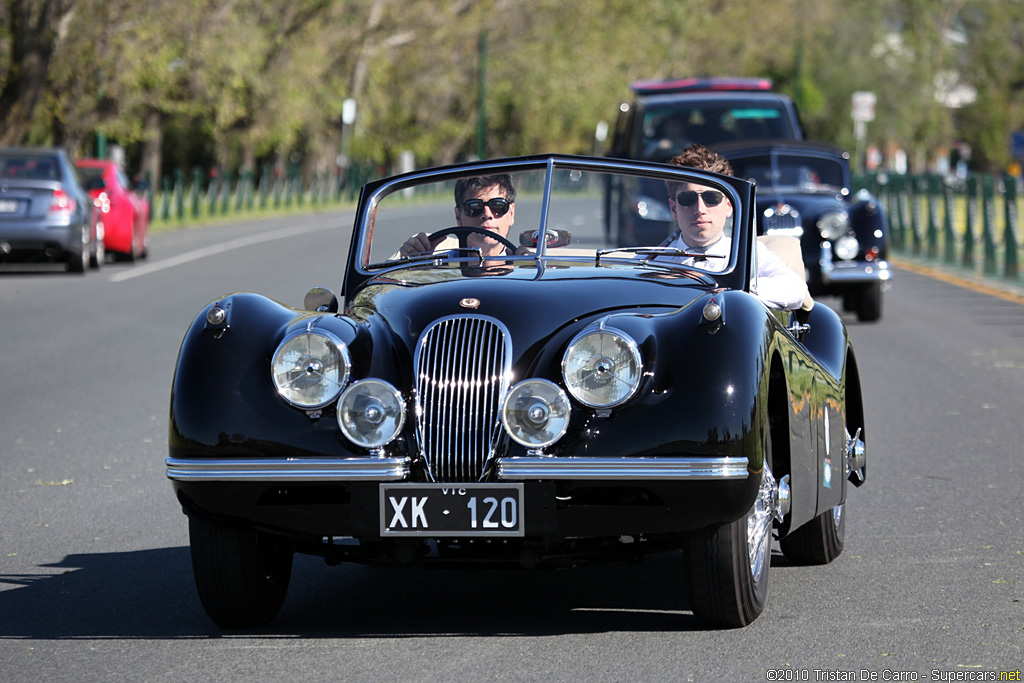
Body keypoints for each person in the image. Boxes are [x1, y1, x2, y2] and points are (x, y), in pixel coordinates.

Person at [657, 144, 810, 310]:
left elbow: (796, 290)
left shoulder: (749, 255)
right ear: (673, 208)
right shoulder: (654, 262)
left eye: (711, 198)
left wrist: (734, 289)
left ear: (729, 206)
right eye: (688, 199)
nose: (700, 209)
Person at [399, 173, 527, 260]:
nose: (487, 214)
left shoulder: (525, 269)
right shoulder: (438, 268)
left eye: (498, 206)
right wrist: (411, 264)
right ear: (458, 216)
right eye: (474, 207)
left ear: (511, 213)